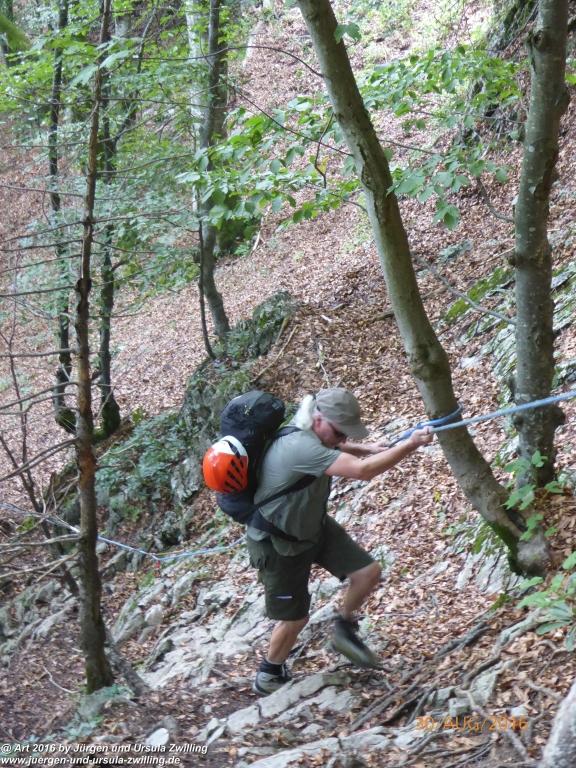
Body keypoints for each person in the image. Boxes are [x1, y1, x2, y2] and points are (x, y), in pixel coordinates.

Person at [247, 387, 433, 695]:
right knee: (295, 617)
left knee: (367, 573)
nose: (342, 439)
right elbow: (361, 472)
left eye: (346, 434)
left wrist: (368, 446)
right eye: (339, 432)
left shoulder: (314, 434)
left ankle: (344, 629)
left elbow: (336, 449)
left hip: (313, 526)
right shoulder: (298, 446)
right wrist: (410, 446)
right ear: (317, 419)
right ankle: (269, 673)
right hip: (278, 543)